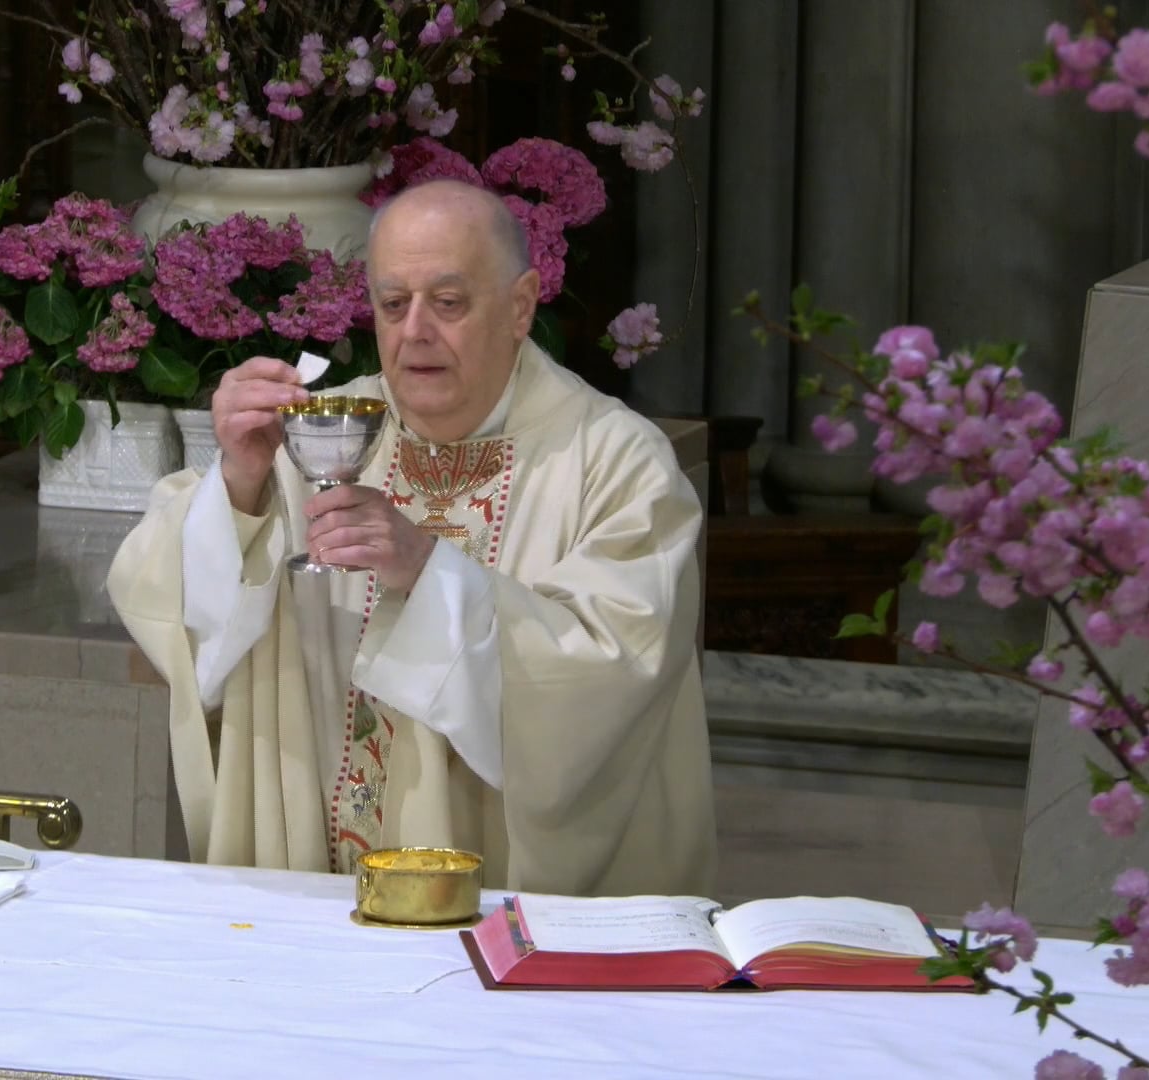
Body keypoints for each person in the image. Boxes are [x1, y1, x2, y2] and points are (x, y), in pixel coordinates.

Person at [107, 180, 715, 898]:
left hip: (504, 922)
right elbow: (166, 605)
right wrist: (238, 486)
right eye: (394, 305)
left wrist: (433, 573)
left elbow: (613, 668)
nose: (415, 331)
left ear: (521, 306)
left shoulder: (615, 464)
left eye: (448, 303)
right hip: (314, 901)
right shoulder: (317, 436)